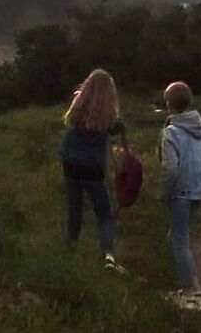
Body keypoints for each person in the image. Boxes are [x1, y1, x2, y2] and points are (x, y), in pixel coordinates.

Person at [60, 68, 126, 273]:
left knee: (74, 208)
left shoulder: (78, 106)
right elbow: (117, 131)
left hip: (70, 161)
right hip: (93, 167)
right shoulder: (109, 116)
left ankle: (70, 247)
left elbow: (69, 121)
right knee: (104, 212)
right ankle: (108, 254)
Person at [159, 81, 201, 311]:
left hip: (181, 192)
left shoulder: (171, 132)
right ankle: (190, 284)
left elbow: (170, 168)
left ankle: (193, 294)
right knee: (176, 237)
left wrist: (164, 193)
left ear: (169, 105)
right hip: (199, 191)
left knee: (180, 242)